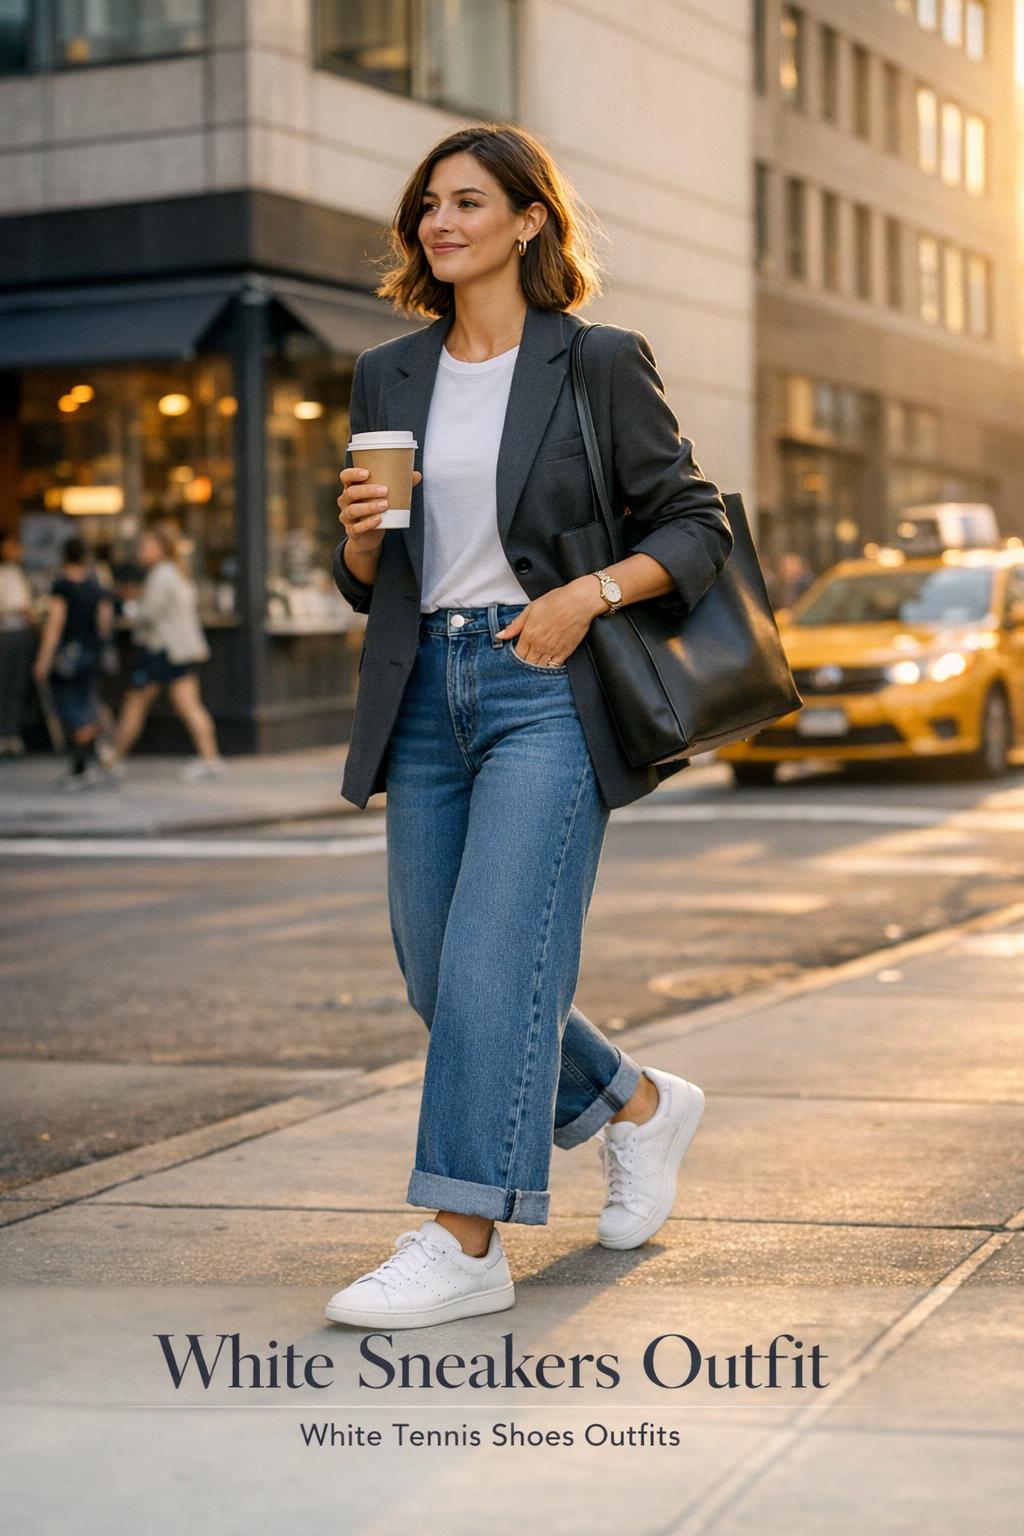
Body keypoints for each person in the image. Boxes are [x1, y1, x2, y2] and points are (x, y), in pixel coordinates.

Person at [324, 124, 733, 1331]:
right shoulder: (387, 373)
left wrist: (584, 593)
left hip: (543, 682)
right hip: (422, 690)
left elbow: (694, 525)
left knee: (497, 964)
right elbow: (375, 574)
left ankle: (465, 1236)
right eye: (426, 208)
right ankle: (639, 1106)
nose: (439, 224)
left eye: (466, 203)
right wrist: (354, 545)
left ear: (528, 220)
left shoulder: (596, 361)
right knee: (440, 972)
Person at [106, 523, 225, 782]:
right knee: (188, 705)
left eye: (146, 545)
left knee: (136, 704)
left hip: (162, 650)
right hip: (180, 651)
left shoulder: (162, 575)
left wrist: (130, 607)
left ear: (161, 547)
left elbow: (149, 613)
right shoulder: (175, 572)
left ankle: (113, 759)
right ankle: (211, 759)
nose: (141, 550)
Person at [32, 535, 115, 789]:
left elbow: (55, 625)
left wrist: (43, 660)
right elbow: (104, 622)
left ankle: (84, 766)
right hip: (91, 655)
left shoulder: (63, 587)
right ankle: (94, 759)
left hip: (69, 657)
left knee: (72, 712)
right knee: (87, 705)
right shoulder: (95, 585)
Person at [0, 531, 36, 757]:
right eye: (13, 545)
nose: (18, 550)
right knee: (4, 685)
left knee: (16, 685)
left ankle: (11, 734)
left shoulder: (17, 572)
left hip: (21, 632)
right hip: (5, 632)